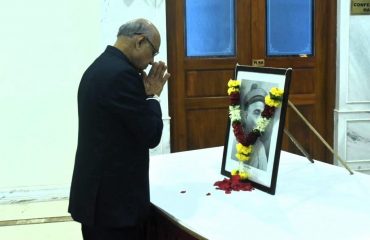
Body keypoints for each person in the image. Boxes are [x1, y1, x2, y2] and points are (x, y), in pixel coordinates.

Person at [68, 18, 170, 240]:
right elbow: (151, 135)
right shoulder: (122, 76)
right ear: (140, 41)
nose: (152, 61)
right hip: (114, 208)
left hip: (97, 199)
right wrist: (152, 96)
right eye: (153, 52)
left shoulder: (100, 66)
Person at [241, 83, 268, 171]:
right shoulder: (233, 139)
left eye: (263, 114)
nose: (261, 120)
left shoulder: (260, 148)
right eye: (256, 112)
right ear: (245, 114)